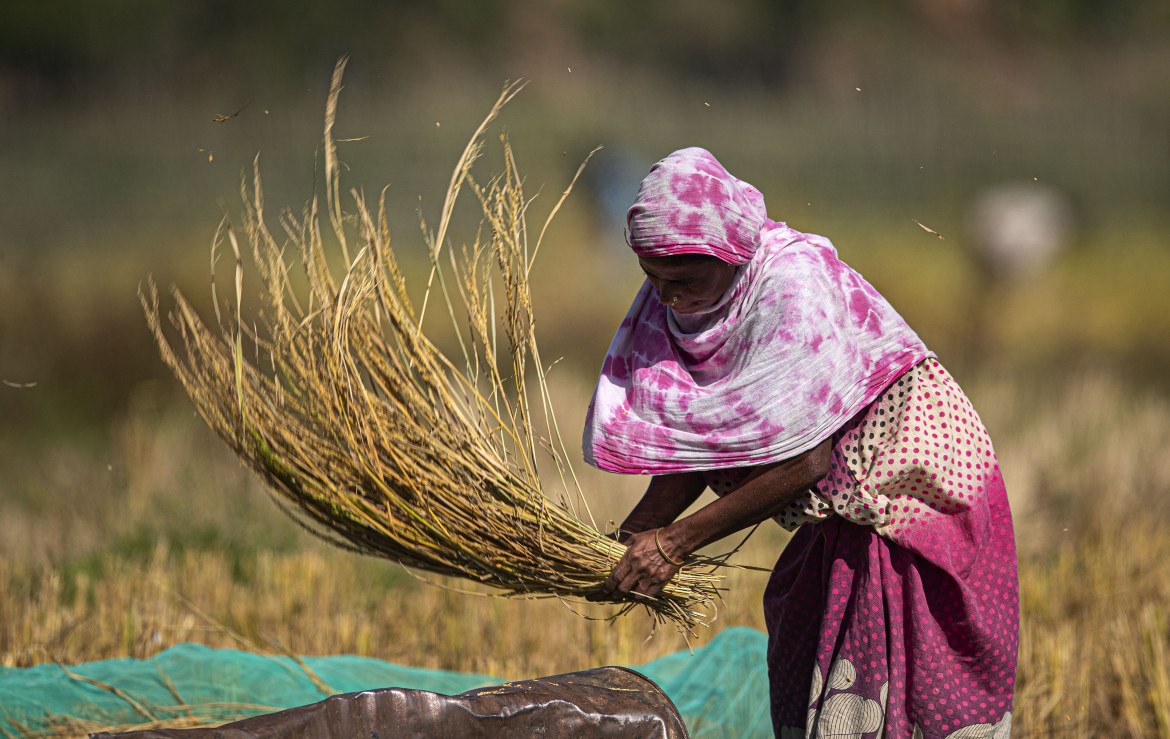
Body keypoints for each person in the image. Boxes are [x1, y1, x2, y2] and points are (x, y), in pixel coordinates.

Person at [585, 148, 1018, 738]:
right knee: (805, 676)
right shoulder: (686, 296)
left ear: (728, 254)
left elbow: (805, 457)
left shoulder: (793, 287)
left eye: (682, 281)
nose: (667, 300)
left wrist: (674, 542)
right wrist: (629, 541)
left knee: (880, 708)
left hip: (906, 506)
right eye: (653, 280)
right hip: (840, 518)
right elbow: (710, 441)